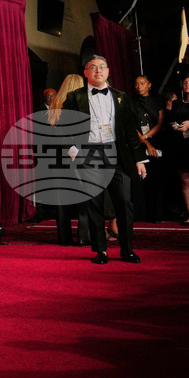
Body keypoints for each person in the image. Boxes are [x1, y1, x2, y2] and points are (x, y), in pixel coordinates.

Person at [62, 55, 147, 264]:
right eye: (93, 67)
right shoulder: (74, 97)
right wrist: (73, 151)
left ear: (108, 71)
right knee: (94, 204)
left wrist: (139, 160)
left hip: (117, 153)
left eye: (102, 67)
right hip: (89, 154)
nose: (98, 70)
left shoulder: (121, 97)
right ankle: (101, 250)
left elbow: (130, 131)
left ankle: (127, 250)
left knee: (124, 202)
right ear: (86, 73)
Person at [51, 74, 90, 246]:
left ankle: (64, 237)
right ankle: (84, 235)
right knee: (86, 195)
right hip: (75, 152)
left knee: (61, 199)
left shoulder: (55, 104)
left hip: (57, 157)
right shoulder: (77, 103)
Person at [131, 75, 165, 223]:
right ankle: (140, 214)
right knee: (140, 179)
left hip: (156, 140)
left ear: (149, 85)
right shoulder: (131, 102)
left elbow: (160, 122)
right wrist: (144, 141)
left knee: (156, 178)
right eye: (136, 84)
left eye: (142, 83)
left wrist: (147, 137)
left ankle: (156, 215)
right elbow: (130, 124)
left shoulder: (157, 101)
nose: (139, 86)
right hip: (138, 142)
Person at [167, 73, 189, 225]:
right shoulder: (177, 103)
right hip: (181, 145)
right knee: (185, 180)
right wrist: (175, 126)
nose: (187, 85)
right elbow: (171, 120)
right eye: (185, 83)